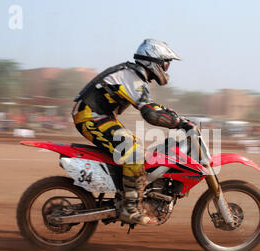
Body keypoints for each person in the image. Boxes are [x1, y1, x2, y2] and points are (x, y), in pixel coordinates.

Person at [72, 39, 196, 225]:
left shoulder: (134, 76)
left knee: (135, 146)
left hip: (100, 116)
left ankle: (127, 193)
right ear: (154, 61)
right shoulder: (132, 77)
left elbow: (152, 106)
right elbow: (150, 113)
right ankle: (130, 207)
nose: (167, 68)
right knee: (132, 150)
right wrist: (178, 122)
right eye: (166, 63)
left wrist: (177, 118)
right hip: (90, 117)